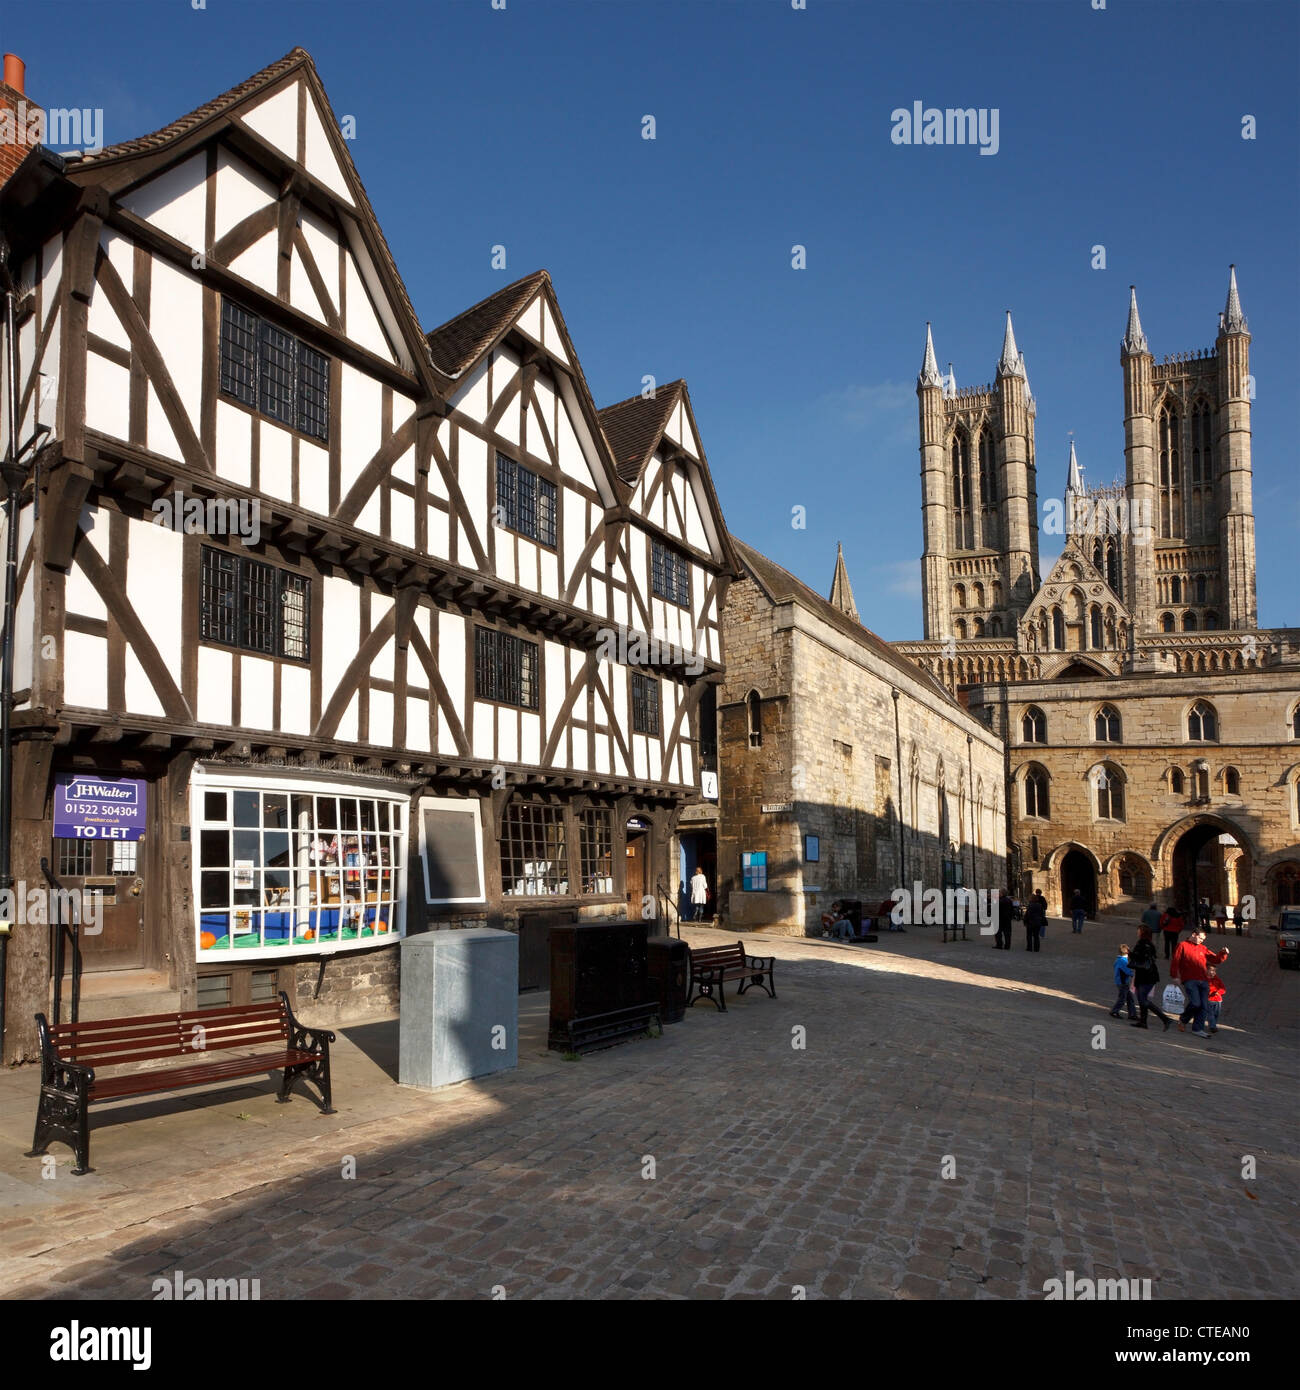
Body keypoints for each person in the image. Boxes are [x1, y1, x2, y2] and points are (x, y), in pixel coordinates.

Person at [1170, 929, 1229, 1039]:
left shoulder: (1203, 948)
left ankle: (1198, 1029)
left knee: (1204, 1006)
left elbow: (1215, 959)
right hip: (1190, 979)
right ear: (1193, 934)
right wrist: (1175, 976)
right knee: (1195, 1003)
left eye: (1203, 939)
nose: (1201, 941)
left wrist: (1223, 953)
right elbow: (1176, 961)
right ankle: (1183, 1019)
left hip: (1203, 980)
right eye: (1200, 938)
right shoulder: (1182, 945)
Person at [1128, 926, 1171, 1031]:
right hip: (1145, 974)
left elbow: (1141, 958)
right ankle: (1143, 1022)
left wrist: (1130, 953)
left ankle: (1165, 1019)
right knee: (1141, 998)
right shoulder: (1149, 944)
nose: (1137, 932)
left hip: (1146, 975)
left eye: (1139, 930)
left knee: (1143, 1000)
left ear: (1143, 932)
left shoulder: (1143, 944)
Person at [1110, 944, 1138, 1019]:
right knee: (1122, 998)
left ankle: (1132, 1014)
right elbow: (1127, 971)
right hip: (1123, 983)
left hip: (1121, 982)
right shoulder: (1123, 961)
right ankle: (1114, 1011)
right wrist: (1133, 974)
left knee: (1129, 998)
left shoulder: (1119, 960)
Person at [1206, 965, 1226, 1036]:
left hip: (1218, 1000)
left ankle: (1213, 1024)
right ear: (1206, 971)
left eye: (1214, 971)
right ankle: (1212, 1026)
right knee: (1210, 1014)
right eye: (1211, 970)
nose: (1213, 972)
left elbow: (1223, 988)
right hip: (1209, 999)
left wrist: (1219, 992)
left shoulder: (1217, 979)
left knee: (1216, 1014)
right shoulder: (1204, 980)